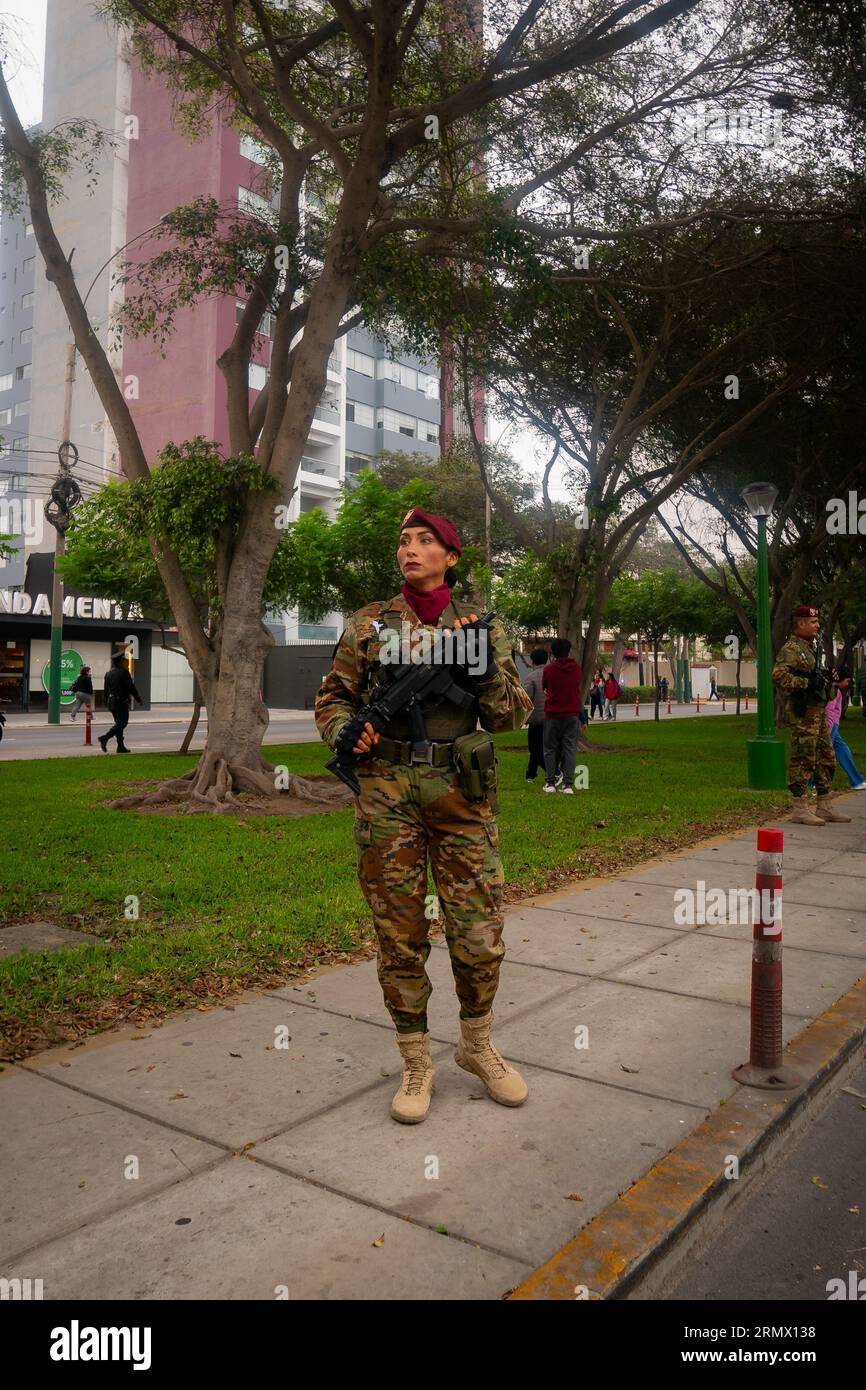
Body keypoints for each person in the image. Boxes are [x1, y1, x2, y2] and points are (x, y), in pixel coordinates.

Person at [315, 508, 533, 1125]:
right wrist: (344, 732)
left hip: (462, 792)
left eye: (425, 541)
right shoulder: (369, 624)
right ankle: (416, 1059)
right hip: (386, 788)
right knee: (400, 933)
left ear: (451, 557)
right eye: (404, 540)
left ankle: (476, 1044)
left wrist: (486, 675)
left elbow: (514, 716)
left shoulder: (483, 629)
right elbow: (334, 696)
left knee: (478, 933)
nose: (411, 550)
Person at [771, 604, 851, 825]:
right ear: (801, 624)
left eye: (817, 622)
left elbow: (814, 677)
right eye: (813, 622)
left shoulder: (811, 647)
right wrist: (807, 683)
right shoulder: (791, 648)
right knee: (803, 758)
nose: (817, 626)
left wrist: (828, 677)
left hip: (818, 712)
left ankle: (824, 805)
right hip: (802, 712)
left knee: (827, 757)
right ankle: (800, 808)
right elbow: (778, 676)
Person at [542, 637, 582, 794]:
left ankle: (550, 783)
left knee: (550, 748)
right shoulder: (576, 669)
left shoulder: (549, 669)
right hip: (572, 713)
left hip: (553, 713)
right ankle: (568, 785)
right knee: (570, 748)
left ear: (553, 651)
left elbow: (544, 686)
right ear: (568, 650)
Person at [826, 677, 866, 790]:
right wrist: (830, 728)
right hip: (831, 726)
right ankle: (811, 783)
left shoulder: (835, 690)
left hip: (833, 725)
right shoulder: (833, 691)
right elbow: (829, 711)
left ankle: (856, 780)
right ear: (840, 679)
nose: (848, 683)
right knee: (824, 753)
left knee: (842, 749)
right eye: (847, 681)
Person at [99, 653, 143, 754]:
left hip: (111, 702)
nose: (125, 661)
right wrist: (138, 698)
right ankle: (105, 738)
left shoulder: (108, 673)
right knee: (122, 723)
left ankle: (120, 746)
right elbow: (131, 687)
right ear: (120, 661)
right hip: (120, 702)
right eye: (124, 660)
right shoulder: (123, 672)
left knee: (118, 723)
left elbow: (106, 690)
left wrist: (105, 702)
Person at [521, 648, 548, 782]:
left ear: (533, 661)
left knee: (535, 749)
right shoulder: (552, 674)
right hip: (552, 718)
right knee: (544, 748)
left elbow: (526, 699)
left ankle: (554, 771)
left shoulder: (531, 677)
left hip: (536, 719)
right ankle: (531, 774)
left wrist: (523, 717)